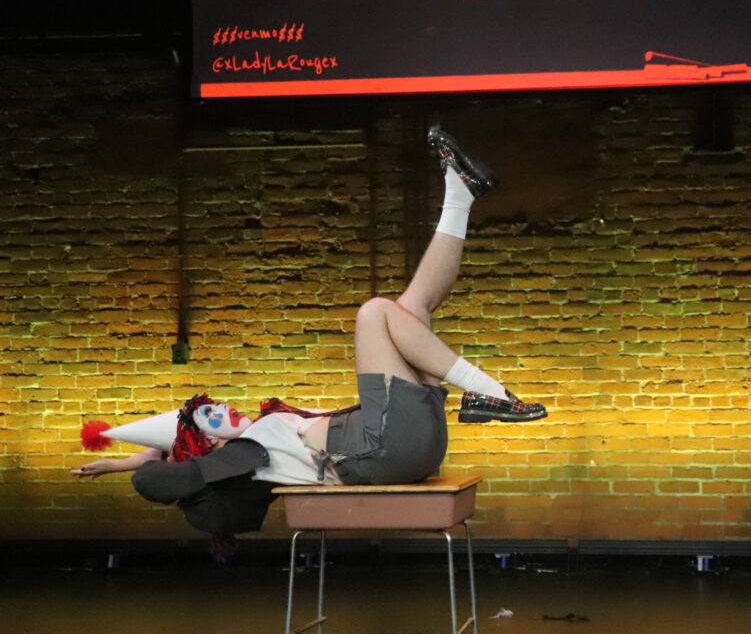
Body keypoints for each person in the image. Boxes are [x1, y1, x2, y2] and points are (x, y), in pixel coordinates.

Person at [71, 128, 547, 540]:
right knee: (375, 313)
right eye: (213, 417)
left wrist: (119, 460)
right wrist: (158, 468)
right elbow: (170, 476)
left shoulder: (260, 434)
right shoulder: (248, 454)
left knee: (410, 309)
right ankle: (492, 393)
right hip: (380, 449)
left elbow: (172, 442)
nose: (224, 408)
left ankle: (460, 195)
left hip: (399, 444)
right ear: (213, 450)